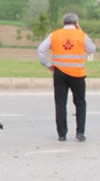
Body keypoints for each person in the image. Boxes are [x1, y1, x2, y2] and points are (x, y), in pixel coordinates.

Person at [38, 12, 96, 142]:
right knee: (80, 103)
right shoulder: (81, 35)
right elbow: (92, 49)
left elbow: (41, 50)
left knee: (60, 103)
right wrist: (80, 31)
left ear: (63, 23)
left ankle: (62, 134)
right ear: (76, 23)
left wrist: (48, 65)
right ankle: (80, 132)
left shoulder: (55, 35)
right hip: (77, 74)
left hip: (59, 73)